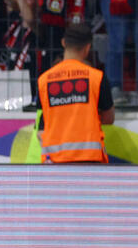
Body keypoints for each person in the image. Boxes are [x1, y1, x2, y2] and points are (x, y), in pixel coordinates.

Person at [36, 23, 114, 163]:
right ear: (88, 48)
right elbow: (109, 118)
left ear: (63, 43)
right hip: (89, 159)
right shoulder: (97, 77)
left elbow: (42, 124)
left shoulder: (44, 80)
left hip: (54, 161)